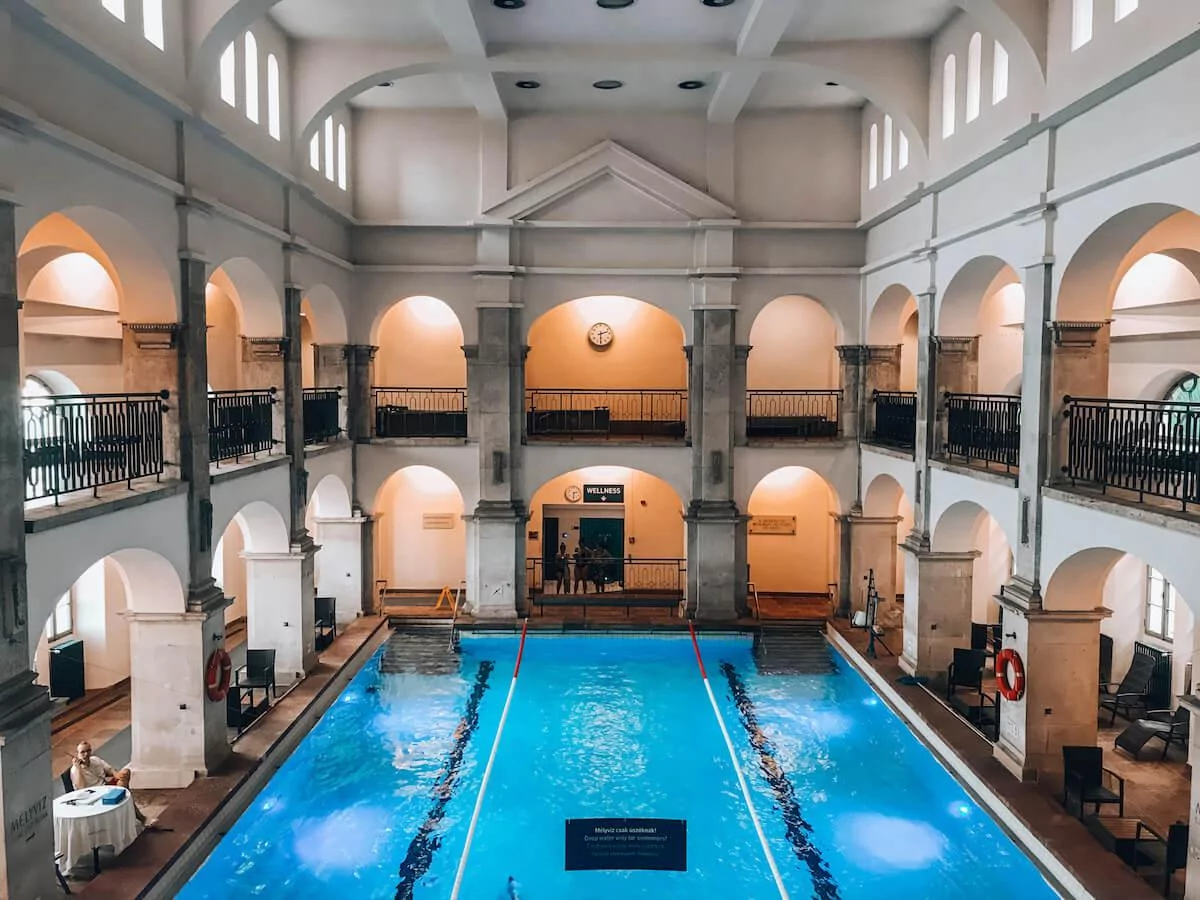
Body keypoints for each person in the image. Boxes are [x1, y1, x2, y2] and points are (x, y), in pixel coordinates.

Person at [70, 741, 150, 826]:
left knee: (126, 772)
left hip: (106, 787)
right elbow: (81, 788)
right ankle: (140, 817)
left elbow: (109, 770)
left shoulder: (95, 760)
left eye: (88, 751)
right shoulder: (75, 770)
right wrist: (79, 769)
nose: (86, 754)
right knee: (123, 792)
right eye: (83, 752)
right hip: (96, 795)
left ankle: (122, 799)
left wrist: (117, 774)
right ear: (77, 754)